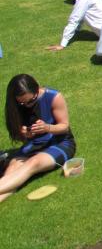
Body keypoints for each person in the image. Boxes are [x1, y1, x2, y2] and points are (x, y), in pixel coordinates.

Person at [0, 74, 75, 203]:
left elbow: (64, 127)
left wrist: (47, 128)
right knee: (12, 169)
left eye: (31, 101)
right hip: (35, 144)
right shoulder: (17, 105)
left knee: (33, 163)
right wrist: (25, 134)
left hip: (59, 143)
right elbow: (19, 135)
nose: (27, 105)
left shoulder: (54, 97)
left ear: (37, 89)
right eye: (22, 102)